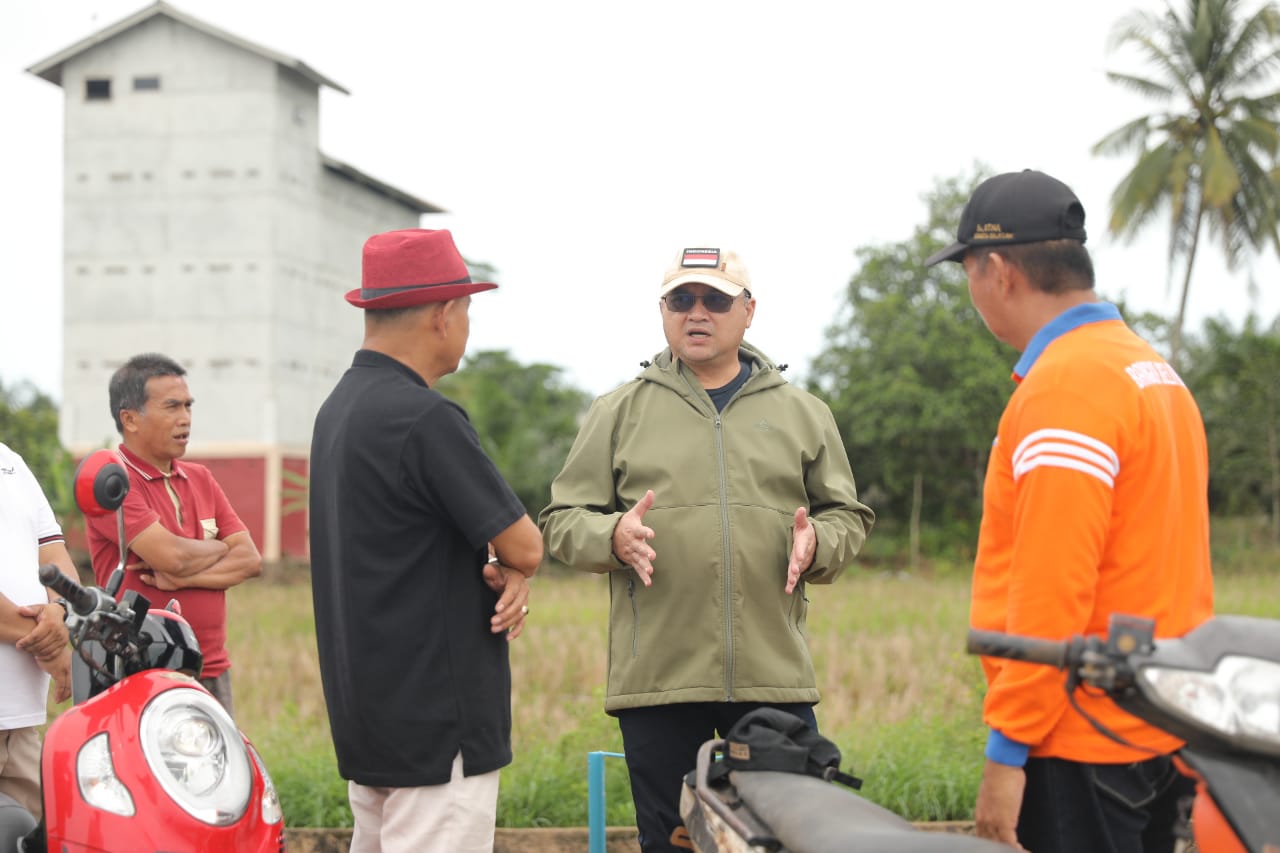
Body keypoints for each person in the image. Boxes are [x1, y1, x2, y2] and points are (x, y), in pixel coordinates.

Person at [539, 246, 875, 852]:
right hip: (660, 677)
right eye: (681, 299)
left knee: (784, 839)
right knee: (672, 842)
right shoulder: (618, 411)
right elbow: (562, 520)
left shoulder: (804, 413)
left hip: (773, 678)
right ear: (662, 311)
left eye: (716, 299)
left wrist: (818, 539)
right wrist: (611, 536)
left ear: (748, 312)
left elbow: (848, 515)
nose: (698, 313)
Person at [926, 169, 1215, 852]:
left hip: (1082, 738)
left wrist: (1007, 750)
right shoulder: (1151, 371)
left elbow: (1052, 586)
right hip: (1162, 725)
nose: (973, 291)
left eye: (968, 270)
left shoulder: (1066, 388)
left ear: (997, 270)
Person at [309, 228, 542, 853]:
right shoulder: (425, 417)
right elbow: (526, 546)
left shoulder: (337, 411)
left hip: (371, 721)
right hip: (440, 730)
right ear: (443, 315)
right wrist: (508, 564)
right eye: (466, 308)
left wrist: (490, 559)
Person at [85, 353, 262, 716]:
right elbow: (171, 557)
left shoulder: (200, 478)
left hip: (210, 668)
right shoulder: (111, 479)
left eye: (188, 406)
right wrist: (215, 548)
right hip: (140, 671)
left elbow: (250, 559)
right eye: (171, 407)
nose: (185, 418)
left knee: (220, 770)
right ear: (130, 419)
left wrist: (181, 580)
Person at [0, 442, 77, 820]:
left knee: (34, 836)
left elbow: (54, 555)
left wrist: (61, 610)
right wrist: (49, 646)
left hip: (23, 722)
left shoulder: (11, 462)